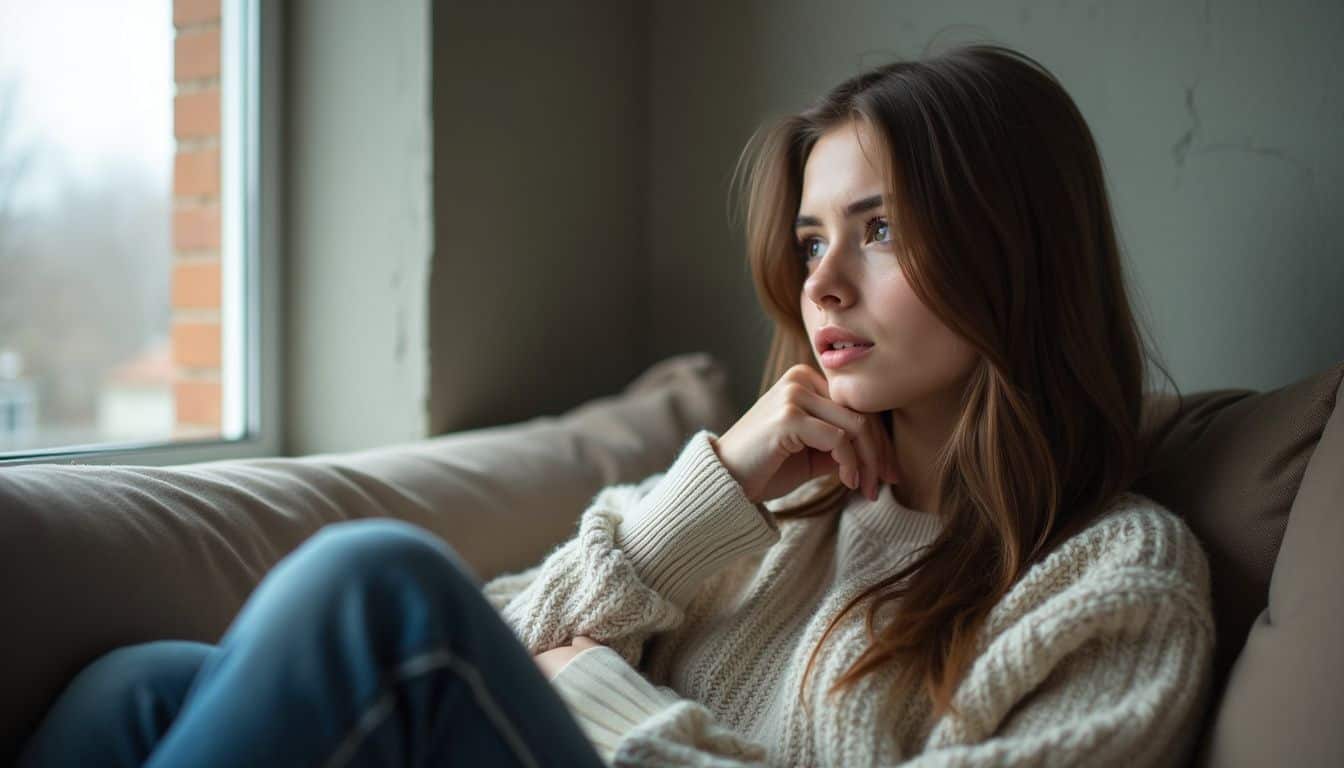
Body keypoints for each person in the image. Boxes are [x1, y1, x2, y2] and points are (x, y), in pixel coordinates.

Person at [18, 42, 1215, 767]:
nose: (824, 284)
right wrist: (717, 489)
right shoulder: (773, 498)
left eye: (882, 229)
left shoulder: (1117, 583)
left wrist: (600, 694)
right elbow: (502, 644)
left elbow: (491, 666)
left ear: (1018, 251)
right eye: (811, 239)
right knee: (143, 684)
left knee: (373, 588)